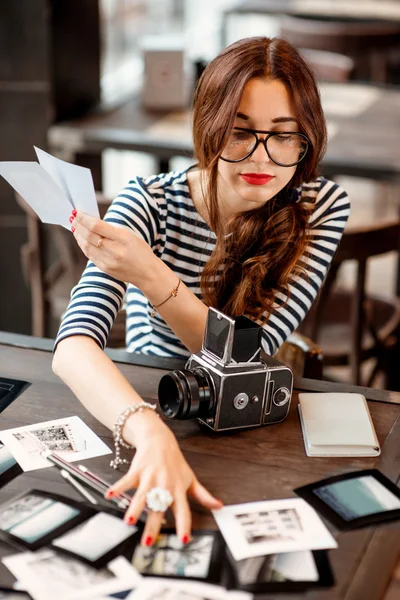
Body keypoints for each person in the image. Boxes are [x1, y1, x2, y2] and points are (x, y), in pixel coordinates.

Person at [52, 36, 350, 546]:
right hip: (148, 402)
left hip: (247, 415)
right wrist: (148, 432)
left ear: (307, 139)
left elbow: (246, 355)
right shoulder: (149, 203)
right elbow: (73, 346)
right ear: (209, 128)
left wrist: (152, 275)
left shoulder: (321, 208)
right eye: (240, 132)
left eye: (284, 136)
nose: (263, 157)